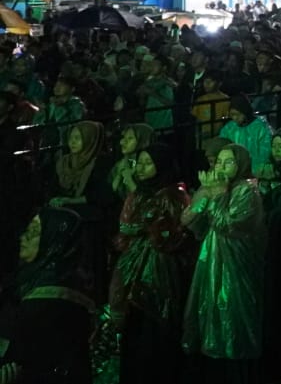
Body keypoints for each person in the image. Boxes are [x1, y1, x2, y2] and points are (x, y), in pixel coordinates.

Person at [107, 143, 194, 383]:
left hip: (160, 268)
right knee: (134, 324)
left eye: (148, 163)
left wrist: (149, 230)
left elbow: (175, 234)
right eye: (140, 163)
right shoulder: (141, 192)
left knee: (154, 325)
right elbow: (126, 227)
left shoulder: (173, 195)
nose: (142, 168)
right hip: (135, 263)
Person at [182, 142, 268, 379]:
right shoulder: (217, 187)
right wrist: (205, 194)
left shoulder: (246, 192)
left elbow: (230, 225)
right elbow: (190, 220)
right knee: (210, 313)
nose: (221, 166)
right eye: (219, 162)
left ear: (240, 164)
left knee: (234, 314)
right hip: (211, 260)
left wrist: (217, 196)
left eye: (228, 162)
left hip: (236, 265)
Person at [0, 208, 96, 383]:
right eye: (27, 231)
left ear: (54, 240)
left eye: (34, 232)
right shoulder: (34, 283)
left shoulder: (48, 300)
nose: (23, 238)